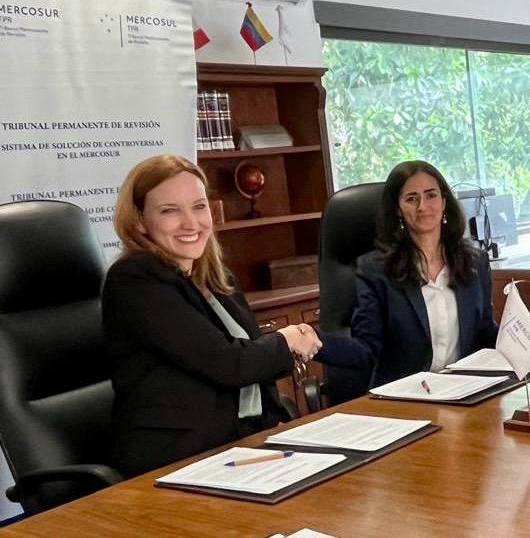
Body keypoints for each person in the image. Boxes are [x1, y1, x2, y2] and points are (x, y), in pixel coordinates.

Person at [103, 155, 321, 477]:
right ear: (139, 220)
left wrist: (275, 423)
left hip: (237, 444)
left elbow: (252, 361)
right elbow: (227, 362)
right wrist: (286, 341)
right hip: (175, 459)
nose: (191, 223)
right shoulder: (135, 279)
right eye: (169, 211)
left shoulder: (215, 277)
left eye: (199, 206)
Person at [309, 160, 499, 389]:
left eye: (431, 195)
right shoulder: (376, 271)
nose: (422, 206)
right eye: (411, 199)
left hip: (466, 389)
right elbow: (366, 349)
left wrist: (527, 336)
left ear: (444, 201)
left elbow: (485, 334)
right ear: (398, 209)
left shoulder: (474, 262)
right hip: (407, 396)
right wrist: (313, 341)